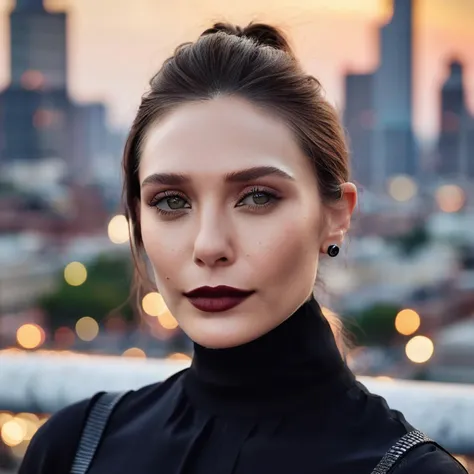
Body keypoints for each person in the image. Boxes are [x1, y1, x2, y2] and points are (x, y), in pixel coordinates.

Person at [20, 22, 467, 474]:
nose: (210, 245)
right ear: (137, 218)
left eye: (257, 197)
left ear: (336, 216)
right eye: (171, 202)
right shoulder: (73, 448)